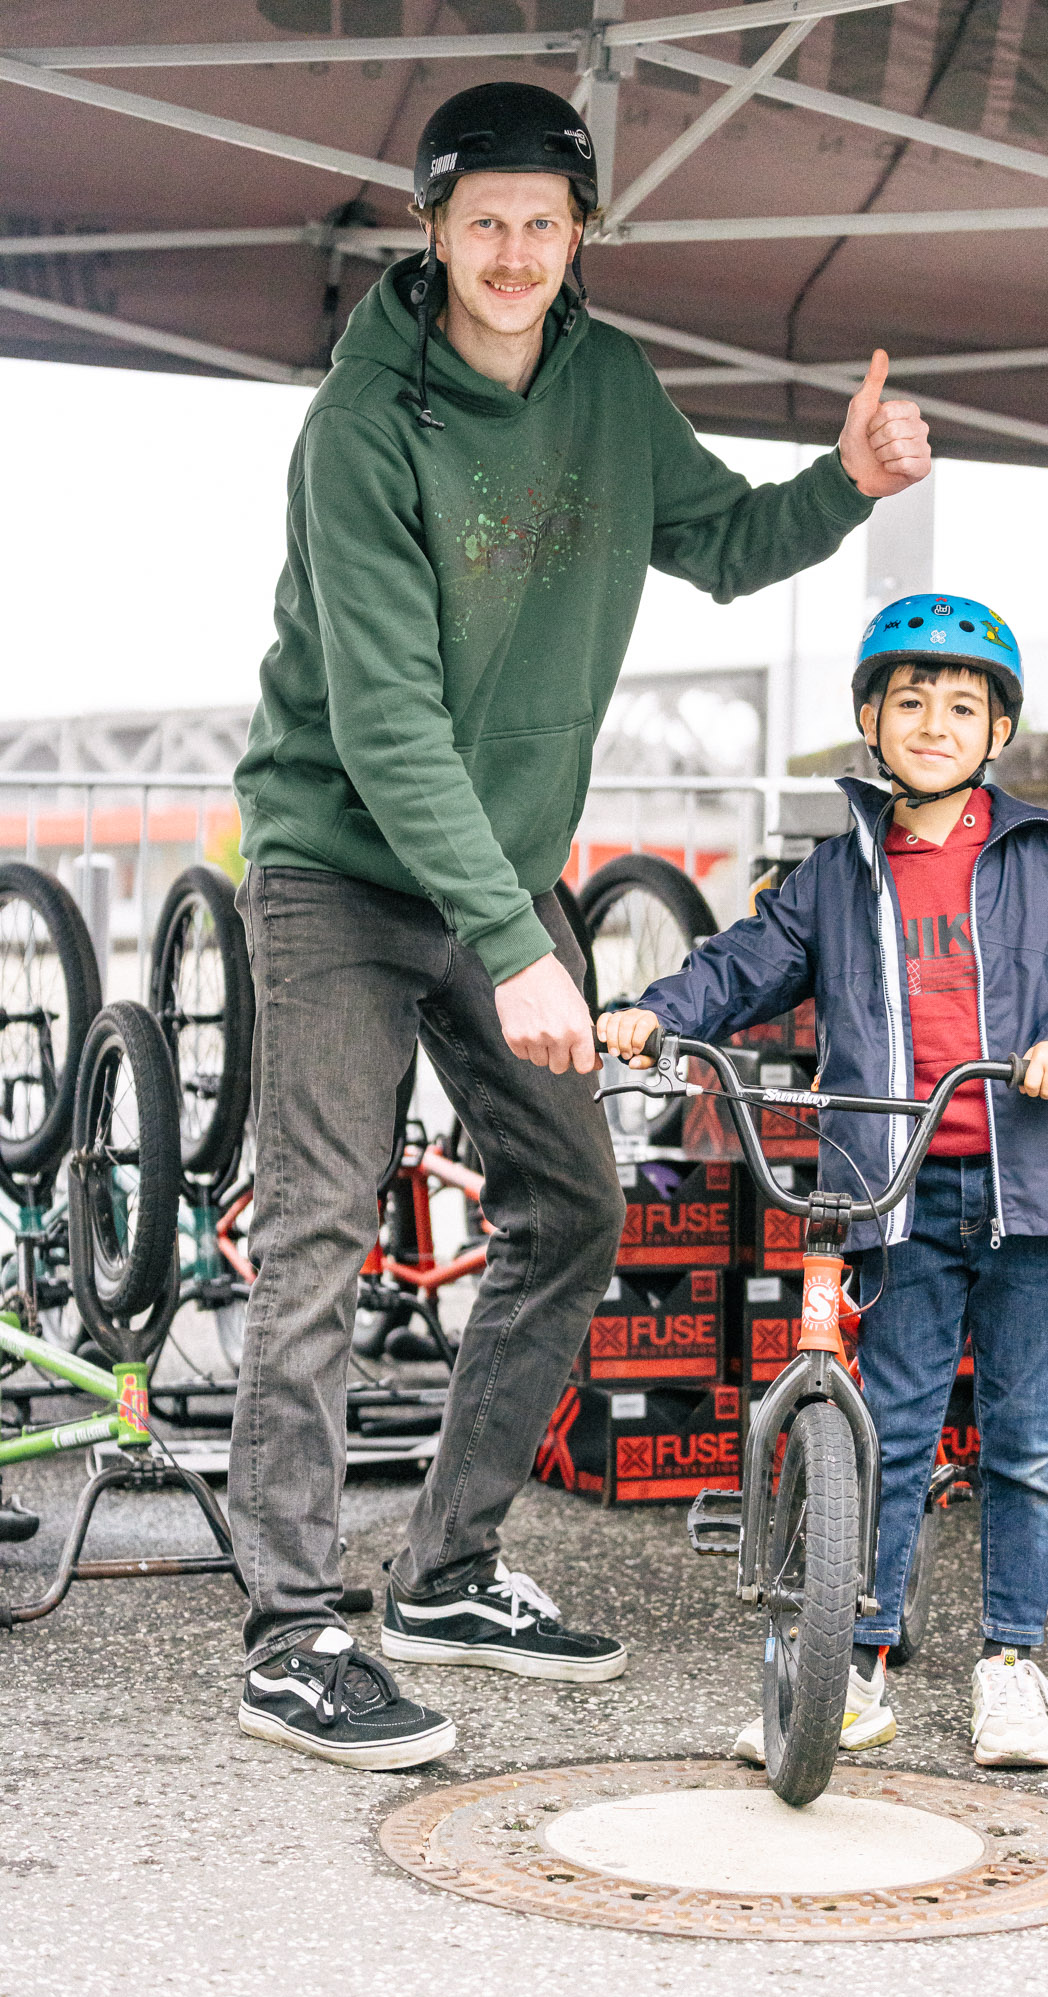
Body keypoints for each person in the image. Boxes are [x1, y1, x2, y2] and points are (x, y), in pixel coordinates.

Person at [229, 80, 932, 1770]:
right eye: (484, 223)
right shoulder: (361, 426)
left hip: (501, 869)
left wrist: (835, 484)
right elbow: (386, 720)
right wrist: (521, 934)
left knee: (575, 1202)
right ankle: (289, 1628)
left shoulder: (610, 388)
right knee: (322, 1230)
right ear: (432, 228)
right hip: (338, 862)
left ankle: (446, 1568)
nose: (513, 253)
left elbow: (718, 539)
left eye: (544, 223)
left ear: (581, 232)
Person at [600, 594, 1048, 1768]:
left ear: (996, 733)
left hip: (1039, 1190)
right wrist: (657, 1012)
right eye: (908, 699)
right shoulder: (834, 871)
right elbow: (743, 964)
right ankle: (853, 1665)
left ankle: (1011, 1664)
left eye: (963, 704)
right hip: (898, 1188)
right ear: (870, 717)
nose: (933, 721)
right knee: (895, 1432)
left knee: (1022, 1440)